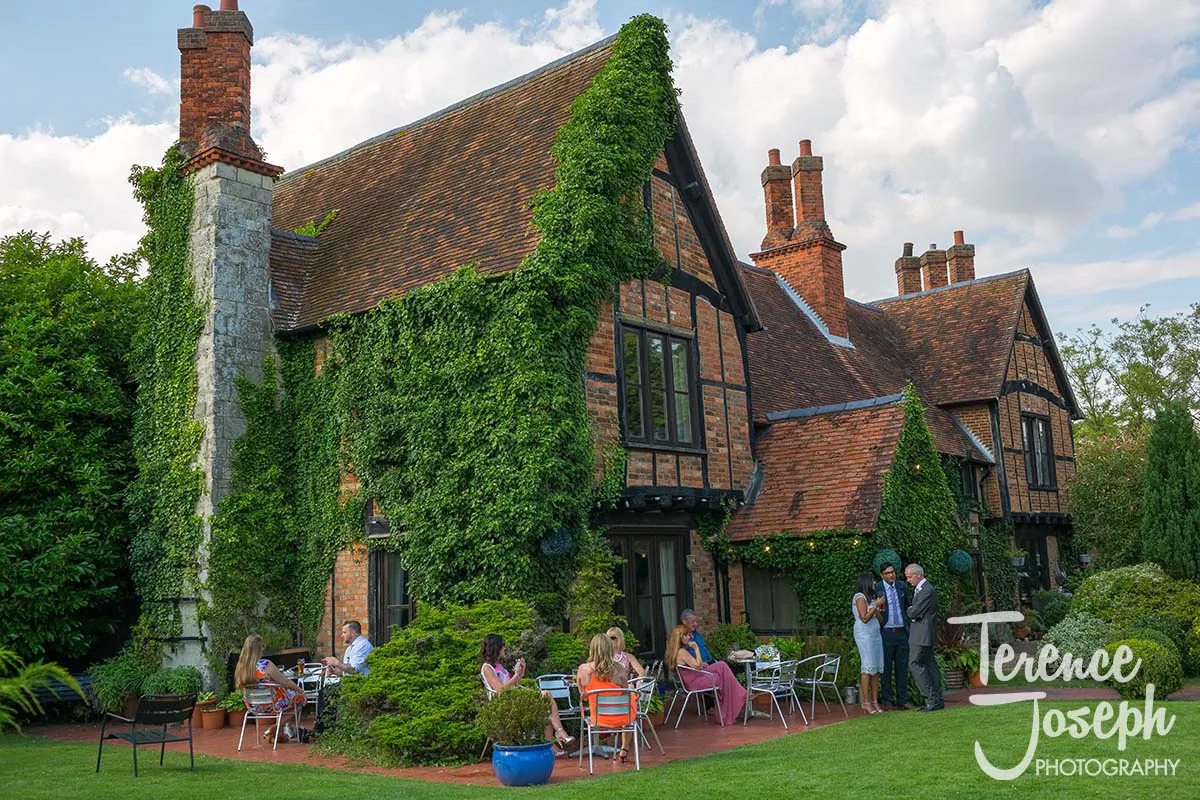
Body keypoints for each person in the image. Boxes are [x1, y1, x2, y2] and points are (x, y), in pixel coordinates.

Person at [479, 634, 576, 755]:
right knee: (545, 697)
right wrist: (516, 675)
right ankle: (558, 734)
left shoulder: (499, 667)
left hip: (514, 699)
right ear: (496, 647)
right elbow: (501, 691)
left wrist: (520, 673)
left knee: (546, 706)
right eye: (503, 646)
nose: (505, 649)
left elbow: (513, 685)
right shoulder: (487, 668)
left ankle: (551, 743)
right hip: (504, 705)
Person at [665, 624, 745, 726]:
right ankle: (735, 699)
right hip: (695, 683)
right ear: (679, 638)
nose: (689, 637)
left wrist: (701, 664)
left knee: (721, 666)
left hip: (693, 679)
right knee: (722, 677)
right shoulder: (682, 652)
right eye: (686, 635)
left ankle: (734, 700)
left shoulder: (676, 652)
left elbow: (695, 665)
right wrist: (696, 648)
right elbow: (697, 666)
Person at [577, 633, 636, 762]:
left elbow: (583, 695)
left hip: (598, 718)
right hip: (622, 718)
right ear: (610, 648)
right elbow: (624, 693)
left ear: (592, 649)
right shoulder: (619, 669)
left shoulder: (583, 669)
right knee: (630, 698)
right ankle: (624, 748)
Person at [234, 634, 306, 732]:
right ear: (259, 649)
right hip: (272, 704)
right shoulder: (265, 664)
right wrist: (301, 691)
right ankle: (275, 727)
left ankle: (278, 731)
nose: (263, 649)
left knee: (285, 697)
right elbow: (285, 681)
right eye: (262, 646)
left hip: (253, 706)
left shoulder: (241, 667)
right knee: (300, 699)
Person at [905, 563, 944, 711]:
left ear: (918, 575)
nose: (908, 580)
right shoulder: (923, 589)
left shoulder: (926, 590)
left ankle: (931, 699)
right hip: (923, 632)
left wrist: (910, 611)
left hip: (921, 634)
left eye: (909, 577)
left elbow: (914, 612)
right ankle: (936, 699)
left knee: (915, 663)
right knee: (928, 664)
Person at [876, 563, 911, 710]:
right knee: (886, 668)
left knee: (902, 667)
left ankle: (902, 701)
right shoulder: (878, 588)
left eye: (892, 572)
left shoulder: (902, 586)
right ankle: (887, 700)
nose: (891, 575)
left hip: (902, 632)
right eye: (887, 573)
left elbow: (906, 605)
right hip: (886, 632)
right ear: (882, 575)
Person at [852, 571, 885, 714]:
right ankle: (866, 702)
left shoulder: (871, 598)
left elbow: (880, 620)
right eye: (872, 581)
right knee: (867, 667)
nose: (874, 583)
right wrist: (875, 605)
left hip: (875, 634)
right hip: (864, 635)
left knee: (876, 669)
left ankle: (875, 701)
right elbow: (864, 618)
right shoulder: (859, 597)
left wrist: (877, 607)